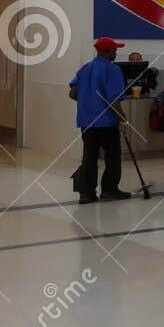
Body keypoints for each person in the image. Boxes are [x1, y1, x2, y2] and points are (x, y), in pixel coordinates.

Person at [69, 37, 131, 204]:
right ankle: (110, 190)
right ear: (106, 51)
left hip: (86, 121)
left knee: (89, 156)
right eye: (114, 50)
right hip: (106, 122)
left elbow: (72, 93)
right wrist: (123, 118)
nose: (116, 53)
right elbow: (113, 99)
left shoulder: (85, 69)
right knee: (112, 156)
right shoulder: (113, 70)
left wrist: (88, 103)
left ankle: (86, 194)